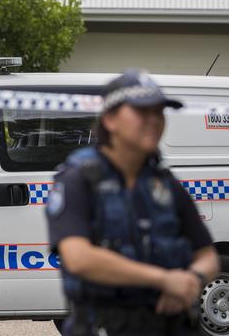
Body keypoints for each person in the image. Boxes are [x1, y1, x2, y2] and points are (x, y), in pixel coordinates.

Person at [45, 69, 220, 336]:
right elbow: (79, 258)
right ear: (110, 119)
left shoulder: (166, 183)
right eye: (142, 112)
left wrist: (190, 282)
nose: (154, 120)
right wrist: (164, 280)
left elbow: (206, 255)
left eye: (159, 112)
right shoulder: (78, 180)